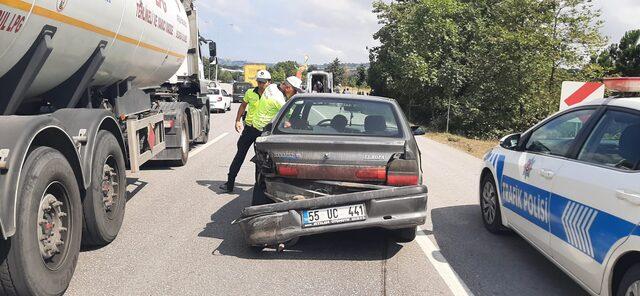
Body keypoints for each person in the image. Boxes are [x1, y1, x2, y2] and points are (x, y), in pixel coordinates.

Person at [218, 70, 271, 193]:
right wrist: (237, 120)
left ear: (269, 82)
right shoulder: (250, 92)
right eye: (259, 81)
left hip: (263, 131)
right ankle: (230, 183)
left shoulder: (272, 95)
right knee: (239, 155)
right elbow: (242, 106)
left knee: (260, 160)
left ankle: (259, 187)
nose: (261, 84)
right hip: (249, 129)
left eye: (263, 82)